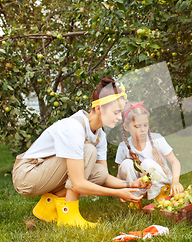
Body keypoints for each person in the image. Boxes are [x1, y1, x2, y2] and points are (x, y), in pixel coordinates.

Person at [12, 78, 150, 228]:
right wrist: (118, 193)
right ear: (99, 109)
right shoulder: (74, 128)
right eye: (116, 112)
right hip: (27, 176)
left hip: (45, 174)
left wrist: (130, 185)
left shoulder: (100, 135)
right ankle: (68, 215)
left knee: (99, 172)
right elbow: (78, 184)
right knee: (88, 150)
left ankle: (48, 206)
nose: (119, 117)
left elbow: (103, 177)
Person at [115, 102, 183, 201]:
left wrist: (175, 181)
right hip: (140, 185)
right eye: (137, 126)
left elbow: (174, 162)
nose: (143, 129)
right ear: (126, 127)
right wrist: (120, 191)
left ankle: (159, 197)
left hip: (160, 183)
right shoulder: (123, 146)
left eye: (145, 125)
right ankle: (134, 198)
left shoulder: (157, 139)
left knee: (147, 164)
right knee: (126, 164)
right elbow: (120, 174)